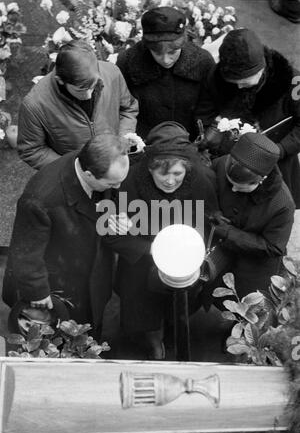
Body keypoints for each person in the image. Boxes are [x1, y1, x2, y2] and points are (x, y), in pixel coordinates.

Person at [104, 121, 219, 359]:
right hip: (142, 257)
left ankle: (172, 332)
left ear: (187, 168)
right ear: (149, 169)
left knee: (179, 306)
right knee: (143, 309)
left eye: (177, 173)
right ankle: (154, 342)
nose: (169, 181)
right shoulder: (129, 182)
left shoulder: (202, 180)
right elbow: (113, 235)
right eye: (162, 173)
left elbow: (210, 223)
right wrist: (154, 249)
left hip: (184, 259)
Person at [2, 134, 130, 341]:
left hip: (91, 271)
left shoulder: (92, 161)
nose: (117, 188)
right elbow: (25, 254)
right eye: (112, 183)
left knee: (90, 327)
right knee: (59, 339)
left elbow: (108, 196)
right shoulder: (40, 199)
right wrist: (37, 292)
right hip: (57, 285)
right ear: (89, 175)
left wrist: (114, 215)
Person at [196, 28, 300, 208]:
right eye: (233, 81)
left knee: (267, 208)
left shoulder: (294, 82)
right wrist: (210, 130)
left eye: (245, 80)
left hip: (276, 156)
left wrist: (279, 150)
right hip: (228, 156)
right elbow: (204, 110)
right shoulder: (216, 77)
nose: (239, 87)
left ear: (263, 67)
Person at [17, 39, 138, 170]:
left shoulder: (112, 73)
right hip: (75, 178)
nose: (89, 95)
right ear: (61, 80)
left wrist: (123, 139)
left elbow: (128, 108)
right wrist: (72, 168)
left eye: (94, 86)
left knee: (122, 191)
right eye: (81, 90)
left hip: (115, 165)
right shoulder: (35, 105)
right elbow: (31, 150)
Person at [204, 132, 295, 304]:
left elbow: (273, 247)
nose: (233, 190)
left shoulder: (282, 204)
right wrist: (212, 211)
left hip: (253, 267)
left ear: (261, 180)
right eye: (230, 183)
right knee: (213, 294)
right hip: (220, 255)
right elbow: (206, 190)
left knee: (245, 308)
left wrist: (229, 233)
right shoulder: (221, 163)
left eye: (241, 187)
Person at [116, 6, 215, 141]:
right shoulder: (127, 63)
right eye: (157, 53)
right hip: (144, 142)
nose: (166, 60)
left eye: (172, 52)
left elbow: (208, 106)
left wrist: (203, 138)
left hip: (189, 142)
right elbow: (123, 107)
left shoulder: (203, 62)